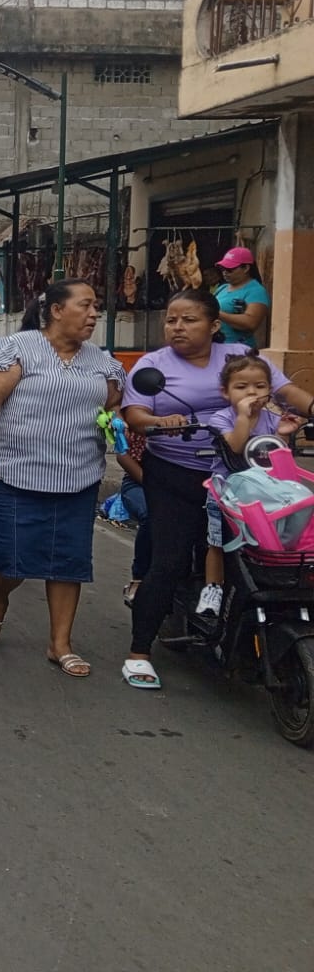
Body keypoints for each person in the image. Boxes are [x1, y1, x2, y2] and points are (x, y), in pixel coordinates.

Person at [121, 288, 314, 689]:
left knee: (266, 554)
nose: (177, 327)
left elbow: (284, 391)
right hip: (175, 474)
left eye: (189, 320)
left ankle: (244, 634)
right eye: (171, 319)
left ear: (213, 325)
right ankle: (139, 652)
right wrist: (160, 422)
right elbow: (135, 414)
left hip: (243, 473)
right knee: (170, 559)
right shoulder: (153, 365)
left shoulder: (239, 356)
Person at [0, 279, 125, 677]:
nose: (94, 314)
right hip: (16, 474)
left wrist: (115, 422)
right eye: (85, 305)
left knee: (68, 561)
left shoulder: (102, 362)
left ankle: (60, 644)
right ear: (56, 310)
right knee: (12, 561)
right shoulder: (18, 349)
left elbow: (114, 405)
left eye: (96, 307)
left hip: (79, 477)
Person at [195, 353, 303, 617]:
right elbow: (236, 445)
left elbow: (275, 455)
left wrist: (282, 434)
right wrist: (243, 417)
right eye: (242, 387)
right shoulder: (221, 418)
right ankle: (213, 587)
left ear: (270, 390)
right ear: (226, 392)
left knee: (264, 541)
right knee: (217, 541)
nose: (251, 392)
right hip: (227, 491)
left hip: (264, 493)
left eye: (260, 386)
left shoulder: (272, 419)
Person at [116, 429, 150, 608]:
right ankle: (139, 579)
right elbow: (123, 455)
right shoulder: (143, 420)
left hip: (186, 485)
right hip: (139, 483)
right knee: (151, 515)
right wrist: (154, 486)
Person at [213, 246, 270, 349]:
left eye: (230, 269)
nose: (225, 272)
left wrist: (216, 313)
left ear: (246, 268)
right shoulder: (222, 288)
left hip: (239, 350)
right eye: (222, 268)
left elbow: (251, 323)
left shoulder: (256, 291)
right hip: (216, 347)